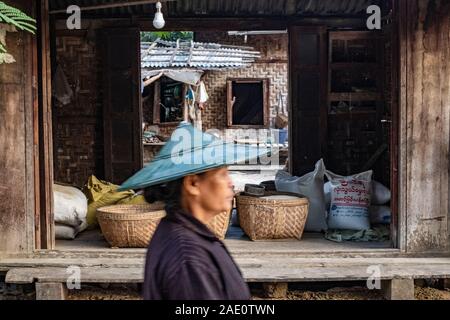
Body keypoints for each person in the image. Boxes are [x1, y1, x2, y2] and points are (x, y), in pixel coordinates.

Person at [118, 122, 268, 300]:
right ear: (193, 184)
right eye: (222, 174)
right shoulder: (188, 259)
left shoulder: (184, 235)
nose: (231, 183)